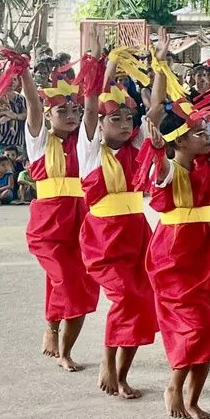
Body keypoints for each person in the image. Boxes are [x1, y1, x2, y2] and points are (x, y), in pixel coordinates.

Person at [139, 49, 210, 419]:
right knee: (192, 321)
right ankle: (175, 384)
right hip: (174, 251)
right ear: (179, 142)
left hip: (207, 248)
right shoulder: (166, 169)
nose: (206, 135)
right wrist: (159, 74)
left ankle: (195, 397)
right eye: (198, 132)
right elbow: (156, 147)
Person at [14, 59, 99, 371]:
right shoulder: (40, 142)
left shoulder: (85, 144)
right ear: (48, 116)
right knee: (64, 280)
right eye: (62, 111)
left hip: (81, 223)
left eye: (73, 110)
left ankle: (65, 350)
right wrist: (24, 73)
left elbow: (91, 111)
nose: (71, 116)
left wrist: (97, 77)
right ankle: (51, 329)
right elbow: (33, 105)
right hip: (48, 227)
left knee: (79, 285)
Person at [82, 55, 159, 398]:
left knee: (143, 301)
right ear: (100, 124)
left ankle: (123, 373)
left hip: (138, 233)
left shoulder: (136, 148)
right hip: (104, 237)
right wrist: (107, 69)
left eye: (129, 118)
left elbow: (155, 110)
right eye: (116, 118)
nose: (126, 124)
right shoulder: (90, 151)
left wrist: (160, 68)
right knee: (126, 297)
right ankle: (106, 359)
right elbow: (88, 107)